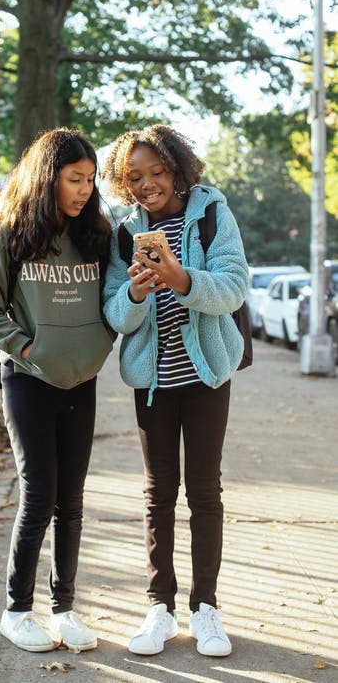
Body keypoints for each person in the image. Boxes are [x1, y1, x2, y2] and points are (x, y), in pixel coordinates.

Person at [102, 125, 248, 658]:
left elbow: (234, 287)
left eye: (157, 172)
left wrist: (181, 279)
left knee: (204, 491)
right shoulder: (125, 231)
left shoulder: (211, 213)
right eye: (134, 177)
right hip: (153, 382)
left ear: (177, 168)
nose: (147, 185)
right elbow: (115, 312)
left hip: (208, 373)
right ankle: (158, 608)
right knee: (158, 493)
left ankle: (205, 608)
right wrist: (136, 291)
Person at [0, 128, 114, 653]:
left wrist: (98, 345)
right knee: (39, 494)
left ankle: (65, 609)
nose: (84, 189)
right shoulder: (13, 233)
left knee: (71, 500)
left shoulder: (98, 233)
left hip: (83, 379)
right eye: (74, 178)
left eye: (90, 179)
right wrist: (28, 350)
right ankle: (16, 611)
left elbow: (113, 300)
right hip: (28, 380)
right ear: (47, 176)